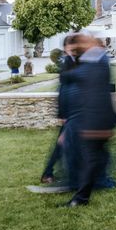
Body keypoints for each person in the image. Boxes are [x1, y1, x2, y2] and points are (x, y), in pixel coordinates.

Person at [63, 33, 116, 207]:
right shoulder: (99, 62)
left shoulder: (92, 64)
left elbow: (67, 77)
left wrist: (69, 56)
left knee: (91, 160)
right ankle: (89, 191)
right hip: (100, 121)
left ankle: (81, 197)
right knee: (98, 159)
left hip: (93, 123)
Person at [40, 34, 78, 185]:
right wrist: (63, 114)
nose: (74, 48)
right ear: (66, 48)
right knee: (61, 144)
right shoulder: (66, 62)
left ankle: (70, 172)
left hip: (74, 109)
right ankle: (47, 173)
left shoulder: (73, 60)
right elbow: (63, 89)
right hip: (68, 111)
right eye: (71, 45)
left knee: (68, 143)